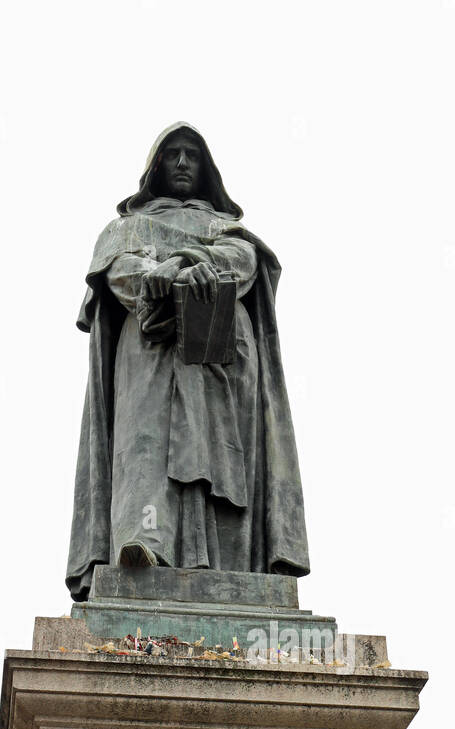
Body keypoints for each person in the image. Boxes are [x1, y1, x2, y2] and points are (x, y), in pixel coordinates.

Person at [66, 123, 309, 601]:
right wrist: (160, 275)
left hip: (222, 355)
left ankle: (233, 564)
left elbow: (242, 262)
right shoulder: (125, 229)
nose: (181, 163)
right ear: (155, 167)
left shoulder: (227, 228)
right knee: (145, 444)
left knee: (221, 455)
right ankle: (142, 543)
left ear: (205, 170)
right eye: (172, 154)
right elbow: (116, 272)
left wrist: (185, 262)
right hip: (151, 348)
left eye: (191, 156)